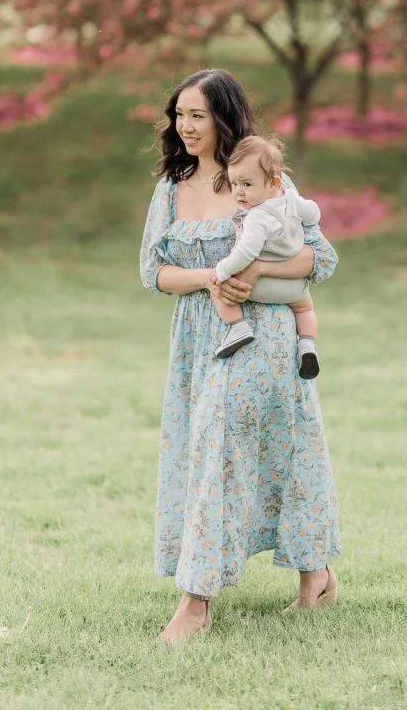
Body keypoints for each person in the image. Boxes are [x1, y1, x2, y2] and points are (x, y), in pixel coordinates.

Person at [139, 68, 340, 645]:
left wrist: (254, 274)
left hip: (262, 337)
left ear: (225, 117)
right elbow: (153, 273)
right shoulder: (171, 189)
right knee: (267, 449)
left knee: (226, 450)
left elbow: (318, 261)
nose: (186, 126)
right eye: (180, 115)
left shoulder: (261, 181)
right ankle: (316, 577)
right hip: (198, 339)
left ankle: (196, 603)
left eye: (198, 115)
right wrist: (211, 279)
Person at [208, 134, 323, 380]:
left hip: (257, 287)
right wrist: (308, 216)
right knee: (305, 308)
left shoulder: (257, 217)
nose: (239, 192)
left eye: (247, 185)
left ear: (272, 183)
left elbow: (247, 252)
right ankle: (307, 345)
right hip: (294, 286)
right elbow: (313, 212)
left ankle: (237, 326)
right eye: (234, 183)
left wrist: (222, 270)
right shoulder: (291, 198)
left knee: (218, 290)